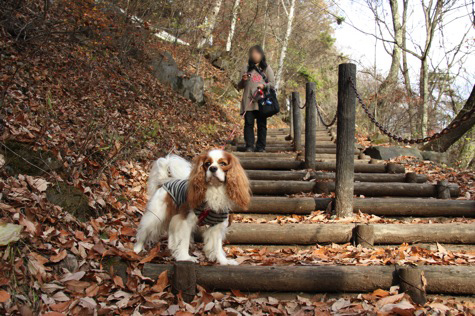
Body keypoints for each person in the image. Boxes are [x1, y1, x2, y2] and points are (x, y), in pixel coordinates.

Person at [237, 45, 275, 152]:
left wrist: (264, 86)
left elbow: (272, 84)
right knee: (248, 124)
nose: (255, 55)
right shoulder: (245, 68)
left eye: (257, 53)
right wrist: (243, 80)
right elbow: (239, 86)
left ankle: (261, 147)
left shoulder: (267, 68)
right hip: (248, 101)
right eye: (252, 53)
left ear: (261, 54)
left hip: (261, 101)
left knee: (261, 124)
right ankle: (249, 146)